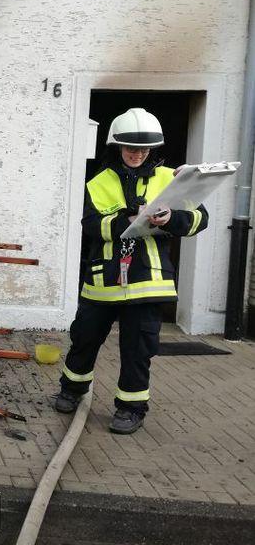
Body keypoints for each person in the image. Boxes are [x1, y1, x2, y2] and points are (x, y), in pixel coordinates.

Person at [54, 108, 208, 434]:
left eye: (143, 150)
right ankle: (72, 388)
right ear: (117, 146)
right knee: (84, 339)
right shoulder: (98, 182)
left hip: (148, 282)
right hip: (103, 283)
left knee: (138, 349)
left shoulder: (172, 179)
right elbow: (90, 225)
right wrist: (127, 219)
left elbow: (199, 219)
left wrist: (171, 219)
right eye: (129, 148)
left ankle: (131, 409)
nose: (136, 154)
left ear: (152, 150)